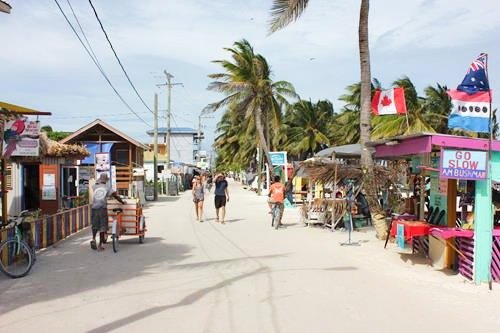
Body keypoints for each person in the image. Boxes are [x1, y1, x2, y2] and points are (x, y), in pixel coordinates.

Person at [90, 173, 125, 251]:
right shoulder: (107, 187)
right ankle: (100, 245)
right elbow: (115, 196)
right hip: (102, 208)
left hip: (93, 208)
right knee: (103, 226)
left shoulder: (95, 186)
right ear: (106, 180)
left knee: (95, 225)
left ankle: (93, 239)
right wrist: (122, 202)